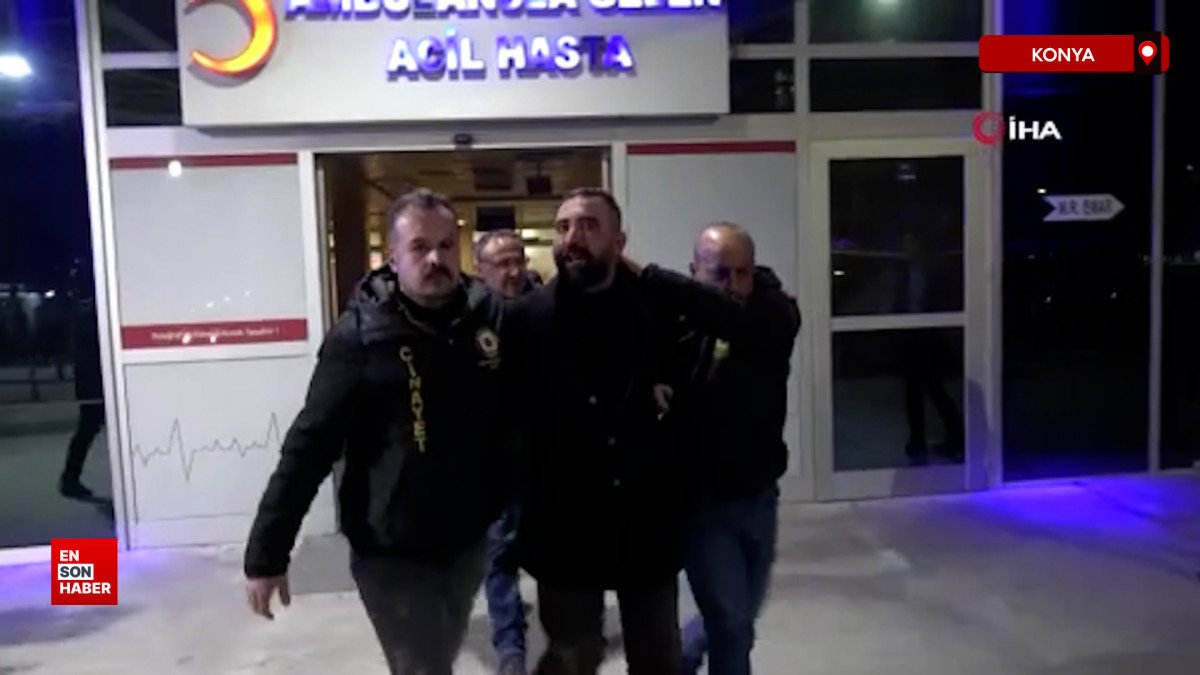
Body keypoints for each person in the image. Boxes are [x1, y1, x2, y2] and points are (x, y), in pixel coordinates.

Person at [243, 188, 519, 675]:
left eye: (445, 246)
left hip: (465, 538)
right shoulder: (361, 337)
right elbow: (310, 444)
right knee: (422, 665)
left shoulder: (487, 319)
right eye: (419, 247)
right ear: (393, 257)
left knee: (440, 650)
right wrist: (267, 553)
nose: (435, 259)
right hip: (390, 545)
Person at [503, 188, 762, 675]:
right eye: (564, 227)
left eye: (588, 226)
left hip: (646, 519)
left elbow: (737, 323)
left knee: (657, 658)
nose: (573, 238)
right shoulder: (527, 319)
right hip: (564, 524)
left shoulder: (657, 306)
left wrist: (656, 279)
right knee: (573, 655)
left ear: (620, 242)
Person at [671, 223, 801, 675]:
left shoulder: (773, 314)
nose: (732, 285)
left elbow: (734, 322)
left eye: (742, 272)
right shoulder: (678, 327)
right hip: (702, 504)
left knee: (741, 615)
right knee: (732, 626)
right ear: (695, 271)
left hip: (759, 496)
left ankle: (681, 658)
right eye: (720, 273)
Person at [473, 229, 539, 675]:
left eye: (518, 260)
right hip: (493, 464)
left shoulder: (547, 310)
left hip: (547, 460)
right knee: (498, 556)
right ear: (481, 270)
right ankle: (510, 647)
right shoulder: (470, 321)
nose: (513, 271)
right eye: (501, 263)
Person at [59, 259, 105, 500]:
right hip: (95, 382)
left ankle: (70, 478)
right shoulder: (94, 312)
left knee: (87, 430)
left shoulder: (83, 310)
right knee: (88, 430)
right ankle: (69, 478)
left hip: (90, 380)